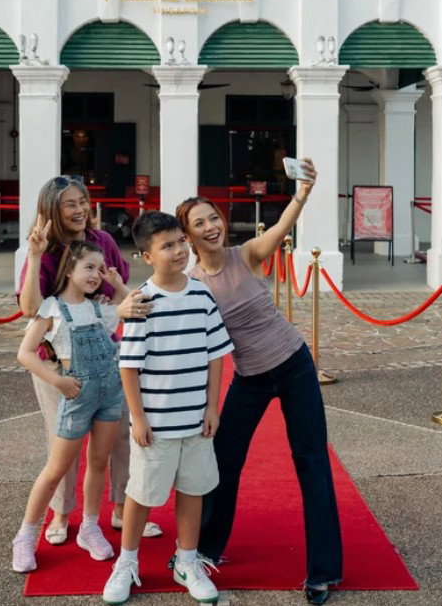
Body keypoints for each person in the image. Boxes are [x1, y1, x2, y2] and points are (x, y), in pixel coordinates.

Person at [152, 158, 344, 605]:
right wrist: (125, 305)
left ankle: (323, 571)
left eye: (213, 218)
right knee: (222, 461)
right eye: (199, 224)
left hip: (294, 366)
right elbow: (156, 296)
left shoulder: (247, 255)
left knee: (312, 461)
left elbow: (282, 227)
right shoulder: (192, 283)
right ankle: (205, 549)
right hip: (250, 378)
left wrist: (302, 193)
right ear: (188, 236)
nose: (211, 227)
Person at [18, 175, 158, 545]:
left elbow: (119, 291)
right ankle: (62, 513)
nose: (80, 209)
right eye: (70, 204)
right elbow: (30, 309)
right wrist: (34, 256)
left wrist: (113, 299)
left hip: (106, 354)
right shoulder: (46, 248)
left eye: (83, 201)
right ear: (52, 209)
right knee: (62, 441)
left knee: (121, 435)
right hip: (59, 362)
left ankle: (122, 508)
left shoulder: (102, 241)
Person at [103, 211, 231, 606]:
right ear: (147, 256)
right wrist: (138, 418)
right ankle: (126, 562)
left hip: (196, 419)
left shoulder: (202, 295)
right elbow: (129, 366)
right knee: (142, 493)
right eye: (167, 246)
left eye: (180, 242)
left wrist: (212, 407)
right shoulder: (142, 302)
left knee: (193, 489)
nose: (178, 251)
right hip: (156, 424)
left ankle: (187, 561)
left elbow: (215, 355)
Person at [11, 240, 127, 573]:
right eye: (88, 267)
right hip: (77, 399)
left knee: (99, 463)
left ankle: (90, 527)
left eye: (99, 269)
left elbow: (134, 305)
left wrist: (117, 283)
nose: (95, 275)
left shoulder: (99, 307)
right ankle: (25, 535)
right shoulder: (52, 308)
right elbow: (25, 353)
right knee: (56, 470)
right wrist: (57, 381)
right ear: (69, 270)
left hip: (110, 395)